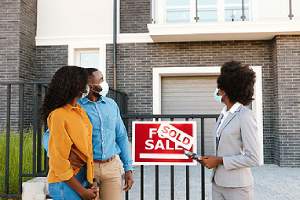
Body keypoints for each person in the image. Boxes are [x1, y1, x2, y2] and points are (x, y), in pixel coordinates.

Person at [43, 68, 134, 200]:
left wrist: (128, 167)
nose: (104, 83)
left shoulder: (107, 106)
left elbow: (122, 136)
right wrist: (65, 155)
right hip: (82, 171)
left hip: (108, 167)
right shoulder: (67, 110)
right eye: (101, 80)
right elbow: (50, 140)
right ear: (88, 85)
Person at [199, 61, 261, 200]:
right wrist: (210, 160)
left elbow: (253, 158)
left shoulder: (245, 115)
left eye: (219, 87)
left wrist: (219, 160)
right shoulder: (224, 114)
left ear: (226, 90)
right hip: (218, 183)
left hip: (237, 188)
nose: (217, 90)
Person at [42, 66, 97, 200]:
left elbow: (87, 149)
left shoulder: (79, 111)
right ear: (76, 85)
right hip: (65, 183)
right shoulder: (58, 115)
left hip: (81, 178)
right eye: (85, 81)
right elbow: (58, 160)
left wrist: (91, 180)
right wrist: (82, 192)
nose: (88, 85)